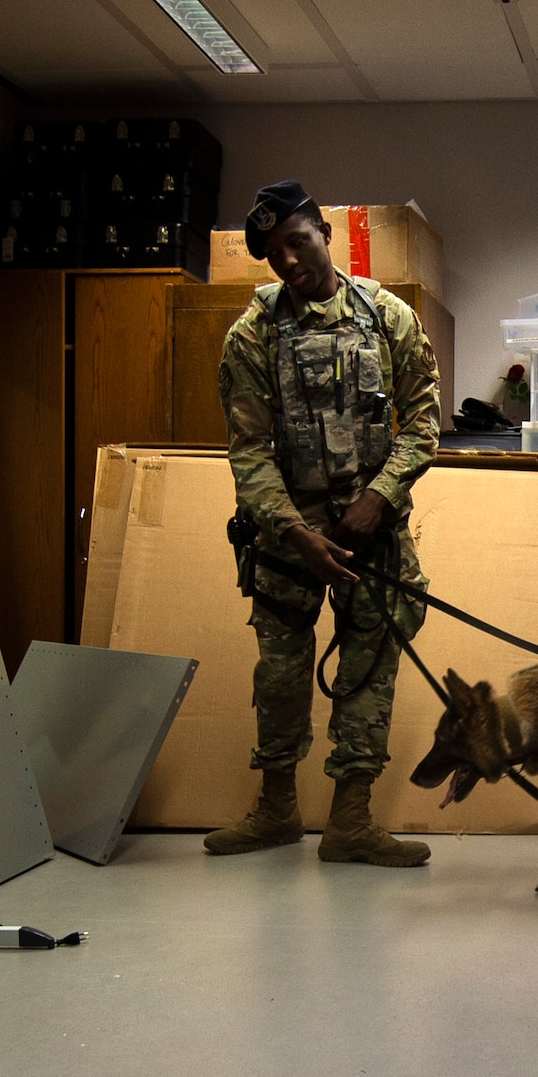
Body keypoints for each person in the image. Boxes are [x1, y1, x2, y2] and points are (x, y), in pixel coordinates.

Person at [206, 180, 440, 866]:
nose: (287, 262)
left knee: (370, 666)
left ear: (323, 232)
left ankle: (351, 822)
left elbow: (425, 421)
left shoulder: (388, 317)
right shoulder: (251, 335)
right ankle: (276, 811)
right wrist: (291, 532)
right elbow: (248, 450)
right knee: (279, 673)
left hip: (373, 530)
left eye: (297, 242)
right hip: (290, 536)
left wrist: (381, 497)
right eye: (273, 255)